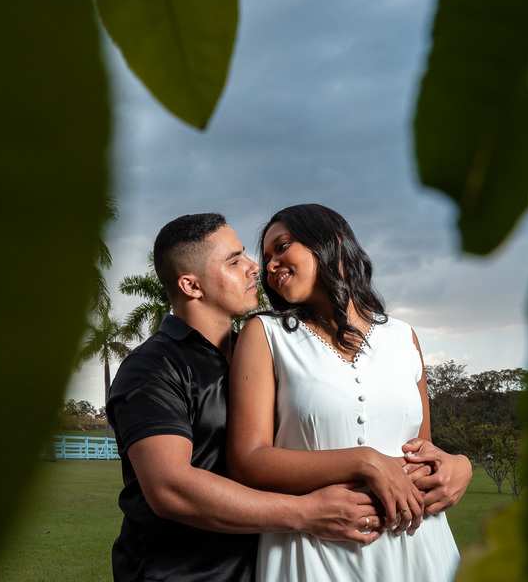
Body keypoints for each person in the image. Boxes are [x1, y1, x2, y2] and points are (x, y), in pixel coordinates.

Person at [106, 213, 390, 582]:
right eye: (234, 260)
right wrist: (307, 512)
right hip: (177, 574)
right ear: (192, 287)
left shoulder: (259, 355)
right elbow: (170, 488)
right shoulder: (151, 367)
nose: (256, 267)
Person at [228, 203, 471, 581]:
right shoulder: (265, 335)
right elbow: (248, 460)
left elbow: (422, 449)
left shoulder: (404, 337)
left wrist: (456, 467)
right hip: (312, 551)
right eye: (267, 257)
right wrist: (364, 461)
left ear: (333, 242)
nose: (270, 265)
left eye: (282, 246)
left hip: (418, 546)